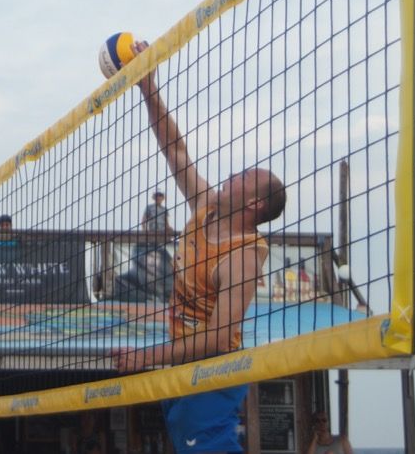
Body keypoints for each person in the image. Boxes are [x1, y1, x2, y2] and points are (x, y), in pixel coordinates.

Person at [114, 41, 286, 454]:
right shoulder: (206, 207)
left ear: (254, 204)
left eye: (247, 176)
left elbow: (220, 338)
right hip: (184, 367)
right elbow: (176, 150)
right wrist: (148, 87)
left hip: (213, 374)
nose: (237, 173)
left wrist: (145, 358)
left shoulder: (243, 257)